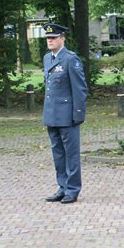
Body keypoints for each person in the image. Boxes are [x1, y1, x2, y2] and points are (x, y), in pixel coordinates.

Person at [43, 23, 88, 204]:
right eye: (48, 38)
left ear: (63, 38)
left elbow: (80, 89)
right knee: (58, 154)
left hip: (67, 115)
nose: (50, 40)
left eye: (53, 37)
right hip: (52, 114)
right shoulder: (48, 58)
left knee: (71, 154)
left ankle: (73, 189)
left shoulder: (70, 59)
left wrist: (78, 114)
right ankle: (62, 187)